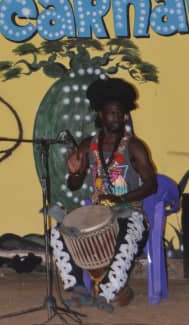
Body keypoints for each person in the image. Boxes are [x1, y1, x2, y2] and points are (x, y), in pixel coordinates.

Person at [50, 77, 157, 310]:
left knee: (127, 228)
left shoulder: (135, 146)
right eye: (111, 113)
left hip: (129, 213)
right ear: (100, 115)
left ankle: (111, 289)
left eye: (120, 113)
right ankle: (77, 288)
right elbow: (74, 184)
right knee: (60, 231)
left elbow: (151, 185)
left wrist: (122, 199)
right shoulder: (89, 145)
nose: (117, 118)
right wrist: (76, 173)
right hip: (97, 213)